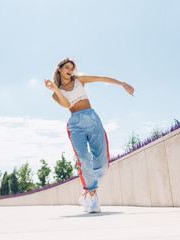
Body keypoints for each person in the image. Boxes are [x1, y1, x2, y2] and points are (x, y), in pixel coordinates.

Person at [44, 58, 134, 213]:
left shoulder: (80, 80)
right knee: (84, 158)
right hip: (75, 124)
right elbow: (67, 105)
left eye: (72, 68)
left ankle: (88, 193)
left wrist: (123, 84)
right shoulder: (55, 94)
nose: (70, 71)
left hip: (92, 119)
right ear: (59, 69)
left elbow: (101, 78)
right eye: (67, 67)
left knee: (102, 158)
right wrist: (56, 90)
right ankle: (92, 196)